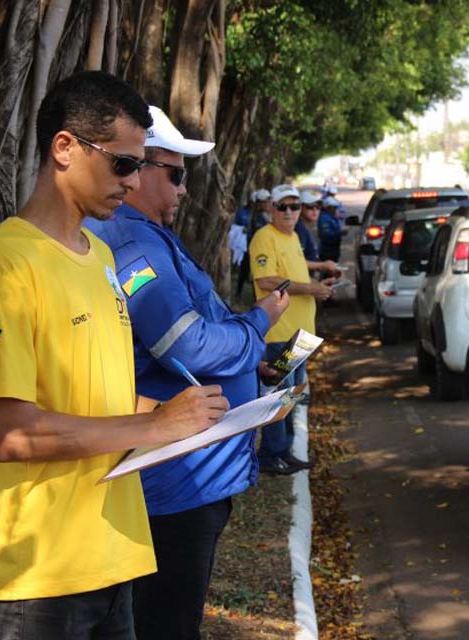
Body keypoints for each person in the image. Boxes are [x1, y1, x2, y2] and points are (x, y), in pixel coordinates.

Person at [0, 70, 228, 640]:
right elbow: (11, 435)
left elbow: (97, 397)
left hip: (114, 557)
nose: (133, 183)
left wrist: (184, 417)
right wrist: (153, 426)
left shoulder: (101, 256)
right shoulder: (5, 264)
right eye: (123, 164)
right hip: (40, 579)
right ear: (64, 147)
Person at [84, 106, 290, 639]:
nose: (183, 189)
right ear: (134, 170)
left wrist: (252, 358)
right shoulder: (130, 243)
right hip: (176, 477)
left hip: (196, 470)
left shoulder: (148, 235)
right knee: (167, 622)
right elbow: (185, 342)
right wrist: (257, 325)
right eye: (175, 174)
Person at [250, 185, 336, 473]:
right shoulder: (264, 238)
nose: (290, 212)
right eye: (283, 207)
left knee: (292, 395)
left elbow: (295, 269)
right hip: (280, 334)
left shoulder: (294, 235)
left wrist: (320, 270)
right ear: (271, 208)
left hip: (301, 334)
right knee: (279, 397)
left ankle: (284, 451)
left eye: (295, 206)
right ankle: (271, 454)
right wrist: (310, 288)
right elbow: (265, 280)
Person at [236, 189, 272, 296]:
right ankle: (239, 293)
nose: (267, 204)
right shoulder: (256, 216)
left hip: (263, 250)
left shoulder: (267, 215)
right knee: (245, 272)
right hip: (251, 248)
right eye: (264, 202)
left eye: (268, 201)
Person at [318, 196, 344, 261]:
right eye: (334, 208)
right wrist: (340, 233)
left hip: (334, 249)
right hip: (327, 251)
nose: (335, 209)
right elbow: (326, 234)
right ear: (328, 208)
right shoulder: (324, 218)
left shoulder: (332, 217)